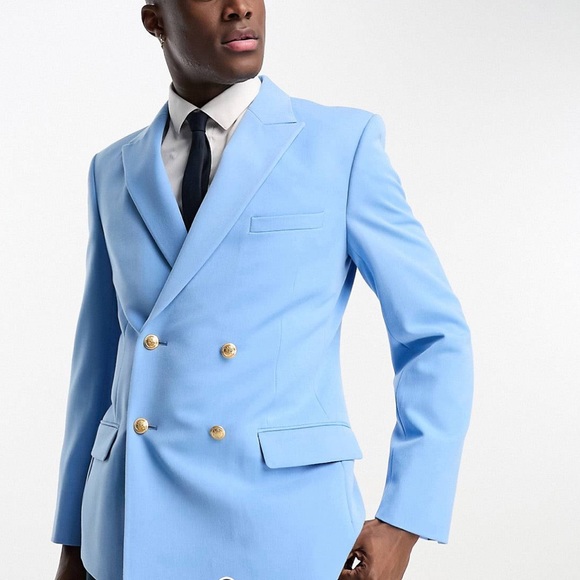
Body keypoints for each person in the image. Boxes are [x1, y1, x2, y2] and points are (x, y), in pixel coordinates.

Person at [52, 1, 473, 579]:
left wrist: (405, 520)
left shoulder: (340, 145)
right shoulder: (113, 168)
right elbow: (98, 365)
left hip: (283, 528)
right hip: (128, 530)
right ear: (155, 20)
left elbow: (434, 337)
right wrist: (75, 543)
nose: (241, 7)